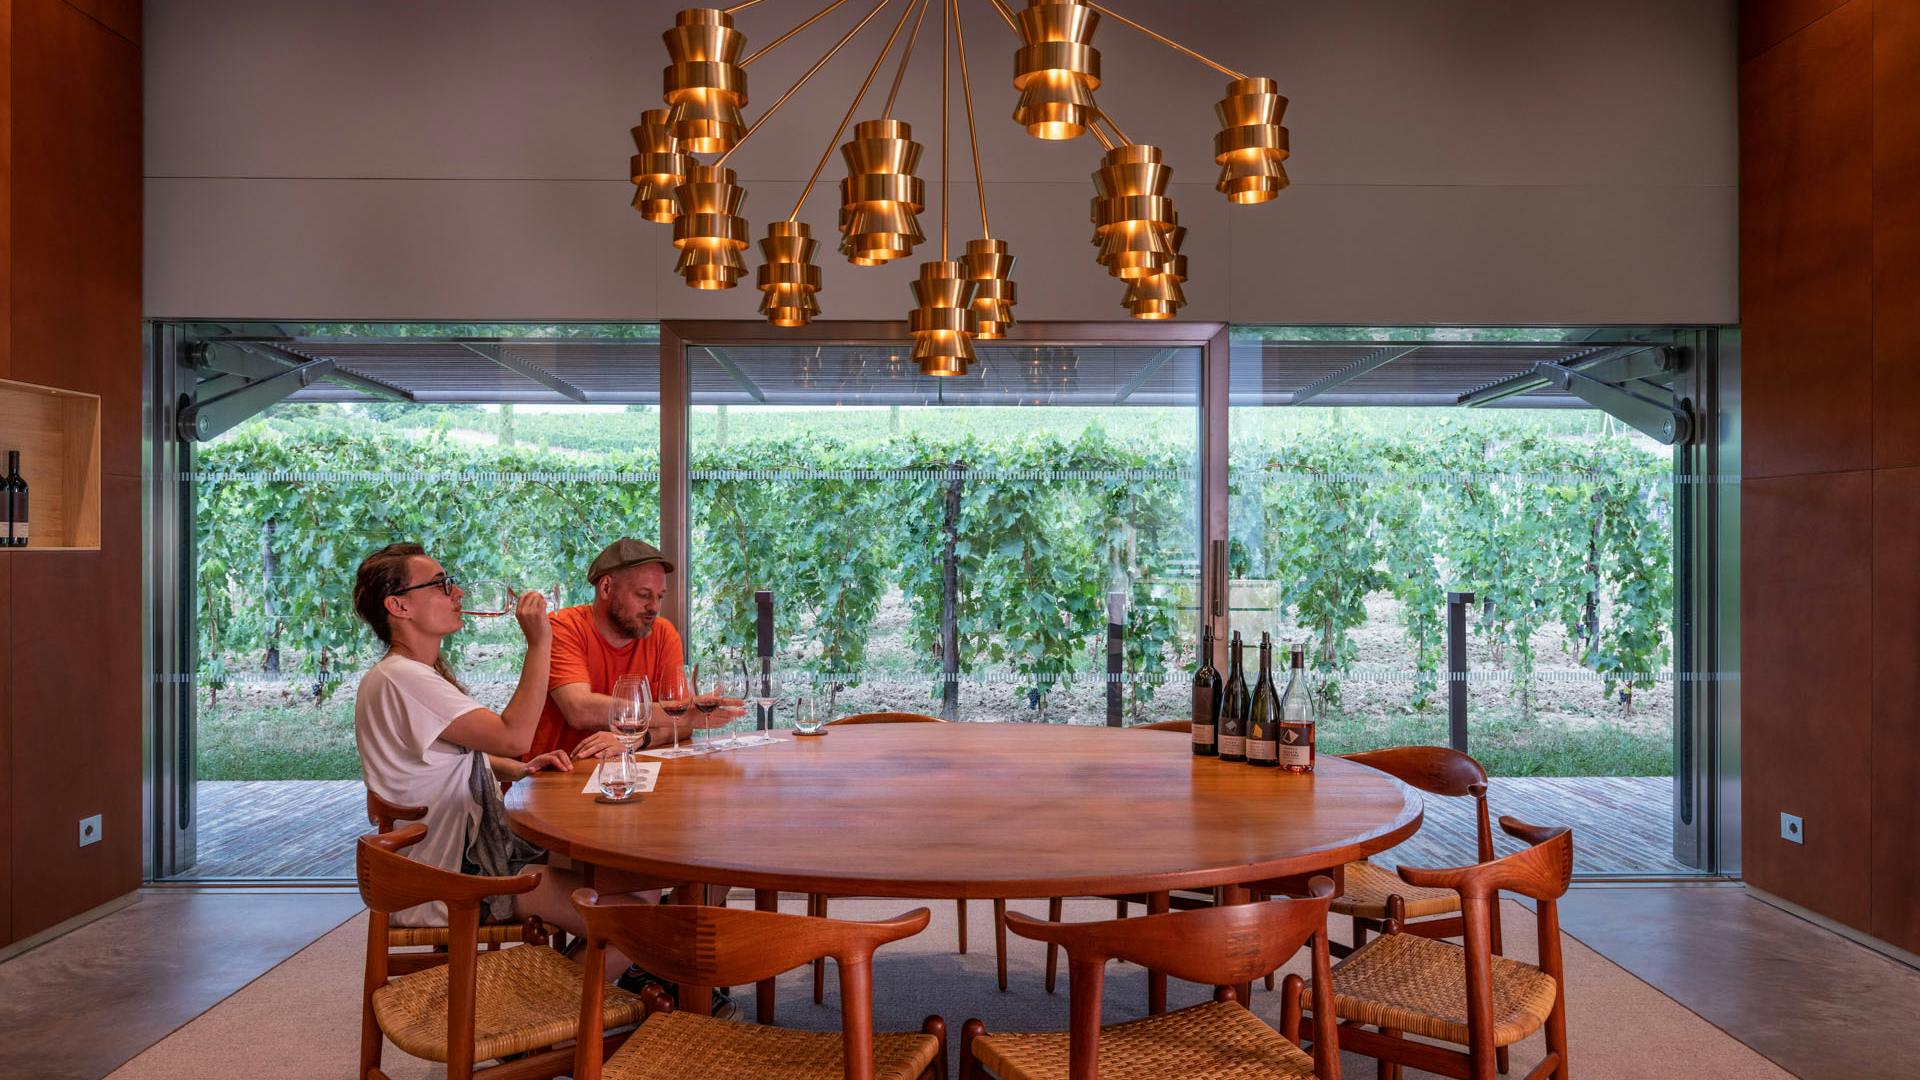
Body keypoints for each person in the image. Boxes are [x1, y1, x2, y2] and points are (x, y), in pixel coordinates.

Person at [350, 542, 647, 967]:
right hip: (453, 878)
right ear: (399, 606)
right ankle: (559, 1025)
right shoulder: (406, 679)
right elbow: (513, 736)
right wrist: (540, 642)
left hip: (442, 863)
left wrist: (520, 769)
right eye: (441, 585)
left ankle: (563, 1006)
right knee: (640, 923)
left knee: (629, 883)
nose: (458, 594)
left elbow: (448, 758)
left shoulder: (399, 676)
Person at [524, 537, 735, 761]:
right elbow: (579, 709)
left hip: (630, 773)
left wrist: (636, 739)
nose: (654, 607)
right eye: (643, 595)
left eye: (659, 596)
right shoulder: (563, 627)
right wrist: (681, 715)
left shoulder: (664, 634)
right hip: (554, 776)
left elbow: (680, 726)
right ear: (606, 587)